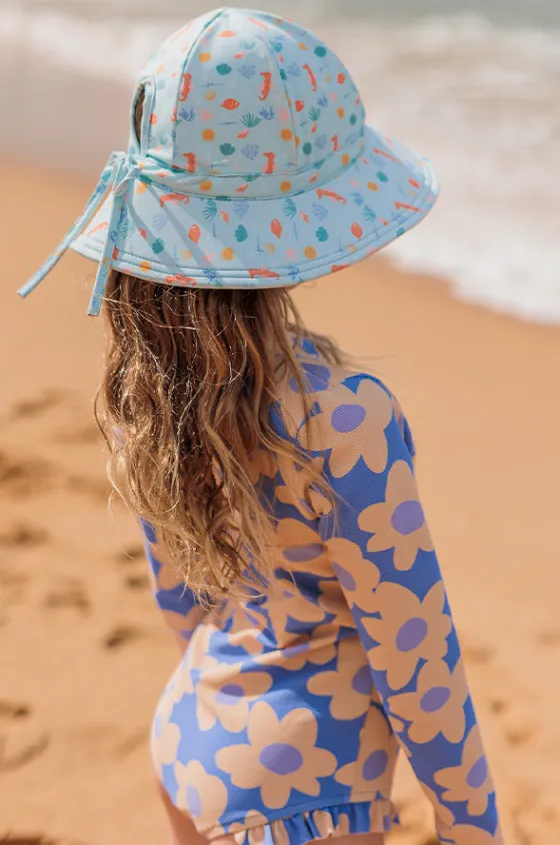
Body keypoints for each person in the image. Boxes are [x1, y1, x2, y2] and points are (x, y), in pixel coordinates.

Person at [18, 8, 503, 845]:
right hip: (308, 787)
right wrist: (472, 823)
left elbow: (182, 598)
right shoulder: (346, 415)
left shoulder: (154, 387)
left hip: (193, 732)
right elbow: (415, 653)